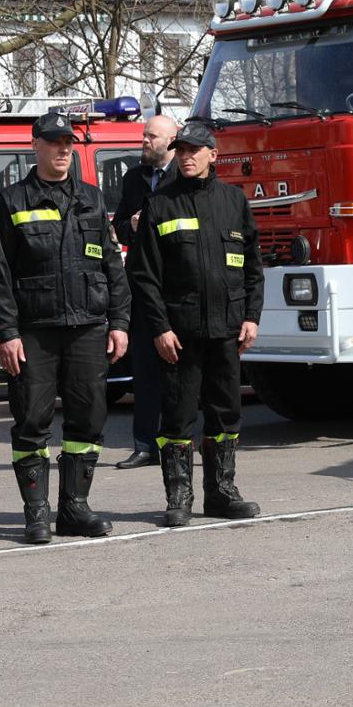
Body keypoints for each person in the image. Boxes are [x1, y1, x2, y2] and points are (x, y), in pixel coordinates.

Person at [0, 111, 131, 543]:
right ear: (36, 145)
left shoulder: (91, 197)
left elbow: (111, 265)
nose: (63, 149)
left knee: (88, 420)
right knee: (31, 421)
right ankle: (36, 514)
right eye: (54, 142)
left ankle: (75, 508)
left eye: (68, 142)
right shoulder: (12, 200)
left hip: (88, 326)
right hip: (35, 330)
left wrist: (120, 321)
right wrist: (8, 334)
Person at [127, 120, 262, 527]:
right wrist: (160, 328)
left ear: (212, 155)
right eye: (181, 150)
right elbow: (144, 275)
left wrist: (252, 317)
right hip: (179, 334)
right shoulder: (160, 204)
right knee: (178, 418)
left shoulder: (233, 202)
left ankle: (221, 493)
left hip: (226, 331)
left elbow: (254, 267)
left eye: (194, 150)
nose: (186, 157)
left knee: (225, 416)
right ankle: (179, 498)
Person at [111, 114, 179, 469]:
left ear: (171, 140)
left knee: (179, 370)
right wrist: (130, 225)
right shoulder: (133, 178)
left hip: (176, 285)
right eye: (144, 135)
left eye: (151, 136)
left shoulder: (184, 176)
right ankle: (144, 444)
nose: (144, 141)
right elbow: (118, 227)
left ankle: (176, 442)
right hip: (141, 284)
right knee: (145, 366)